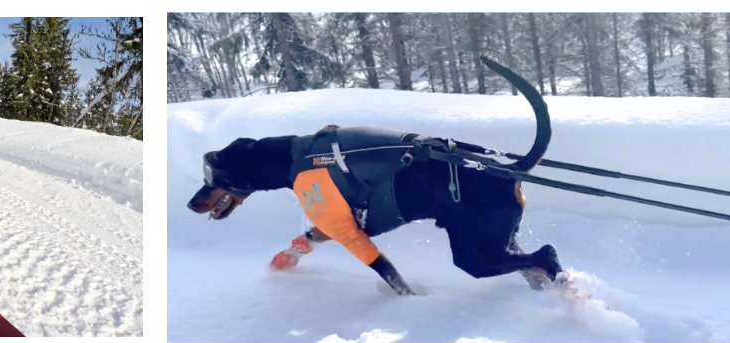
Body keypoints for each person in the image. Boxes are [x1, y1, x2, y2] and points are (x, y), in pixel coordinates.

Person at [185, 125, 564, 296]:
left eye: (217, 187)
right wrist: (299, 249)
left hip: (470, 192)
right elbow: (337, 219)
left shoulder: (309, 182)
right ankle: (536, 272)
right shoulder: (314, 147)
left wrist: (403, 293)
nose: (208, 198)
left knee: (477, 264)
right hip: (481, 178)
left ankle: (544, 263)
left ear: (244, 179)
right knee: (496, 248)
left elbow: (354, 238)